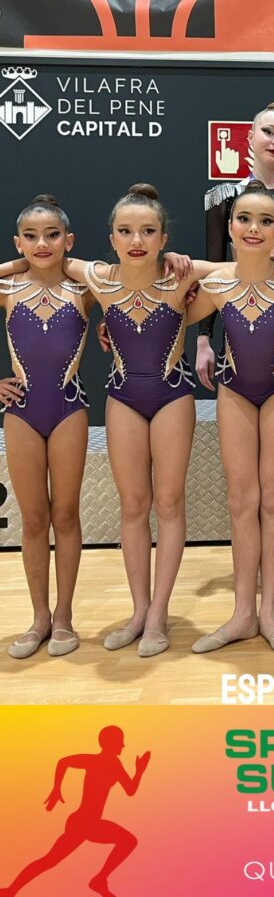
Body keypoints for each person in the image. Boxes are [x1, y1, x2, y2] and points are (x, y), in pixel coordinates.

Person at [61, 184, 228, 657]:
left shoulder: (178, 278)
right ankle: (138, 611)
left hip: (172, 396)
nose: (137, 240)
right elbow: (47, 260)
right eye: (126, 231)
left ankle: (159, 615)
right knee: (134, 504)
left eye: (149, 231)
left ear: (163, 238)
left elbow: (240, 270)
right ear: (111, 238)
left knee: (169, 502)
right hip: (124, 399)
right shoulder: (100, 278)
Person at [186, 182, 274, 655]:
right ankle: (242, 613)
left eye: (266, 221)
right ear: (229, 227)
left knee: (272, 498)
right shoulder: (216, 283)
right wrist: (110, 328)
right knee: (241, 500)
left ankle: (269, 613)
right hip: (236, 391)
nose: (253, 228)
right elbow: (168, 316)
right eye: (244, 219)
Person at [0, 196, 92, 659]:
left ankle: (63, 617)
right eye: (31, 237)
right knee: (34, 518)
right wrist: (17, 263)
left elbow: (129, 279)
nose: (43, 244)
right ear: (17, 242)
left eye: (52, 235)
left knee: (66, 515)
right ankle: (38, 617)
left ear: (68, 240)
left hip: (68, 409)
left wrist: (63, 263)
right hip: (21, 413)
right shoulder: (9, 289)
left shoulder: (84, 289)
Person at [197, 101, 274, 394]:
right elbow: (214, 268)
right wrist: (203, 339)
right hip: (242, 316)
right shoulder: (225, 196)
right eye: (268, 132)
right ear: (250, 137)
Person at [0, 726, 149, 897]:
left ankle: (99, 879)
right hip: (83, 822)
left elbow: (130, 790)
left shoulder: (114, 764)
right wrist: (56, 788)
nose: (123, 745)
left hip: (90, 823)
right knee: (50, 860)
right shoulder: (97, 761)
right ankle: (12, 890)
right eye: (120, 741)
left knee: (50, 860)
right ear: (109, 743)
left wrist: (139, 771)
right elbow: (64, 762)